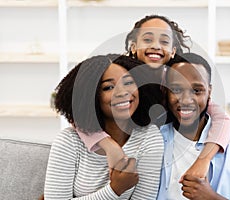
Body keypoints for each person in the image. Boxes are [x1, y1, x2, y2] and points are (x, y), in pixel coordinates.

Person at [78, 15, 230, 180]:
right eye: (147, 39)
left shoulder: (179, 80)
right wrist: (108, 146)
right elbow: (80, 114)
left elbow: (223, 120)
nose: (155, 46)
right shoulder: (119, 75)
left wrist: (204, 159)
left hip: (154, 159)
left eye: (164, 42)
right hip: (116, 156)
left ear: (173, 51)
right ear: (133, 46)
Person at [44, 54, 164, 199]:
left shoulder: (149, 136)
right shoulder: (69, 141)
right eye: (108, 87)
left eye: (128, 83)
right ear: (91, 96)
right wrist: (114, 190)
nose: (123, 92)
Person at [157, 52, 230, 199]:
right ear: (165, 92)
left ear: (209, 92)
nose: (186, 100)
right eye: (177, 90)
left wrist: (210, 197)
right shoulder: (154, 141)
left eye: (197, 90)